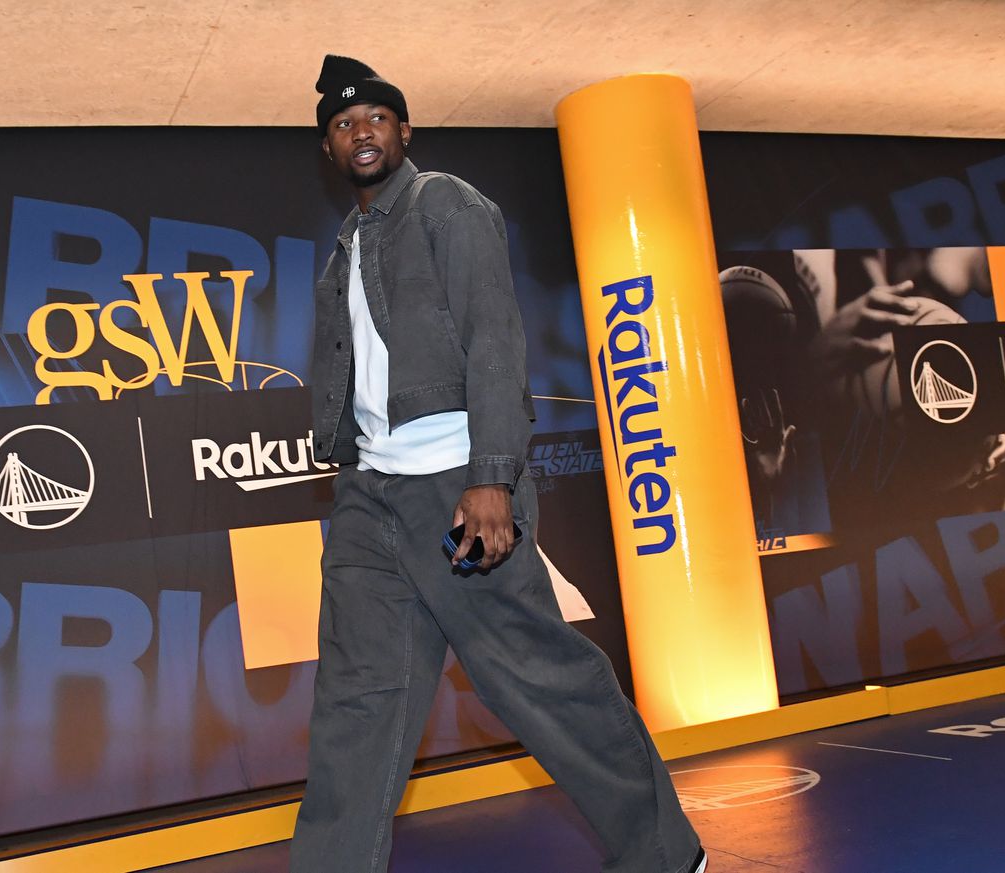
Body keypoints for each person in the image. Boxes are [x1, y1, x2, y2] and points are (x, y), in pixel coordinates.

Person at [290, 54, 705, 873]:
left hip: (457, 486)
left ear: (403, 132)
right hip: (370, 499)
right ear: (328, 152)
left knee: (537, 678)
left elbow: (494, 337)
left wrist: (491, 476)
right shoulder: (344, 249)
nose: (360, 132)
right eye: (342, 125)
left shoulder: (446, 204)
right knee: (355, 704)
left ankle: (665, 854)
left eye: (375, 117)